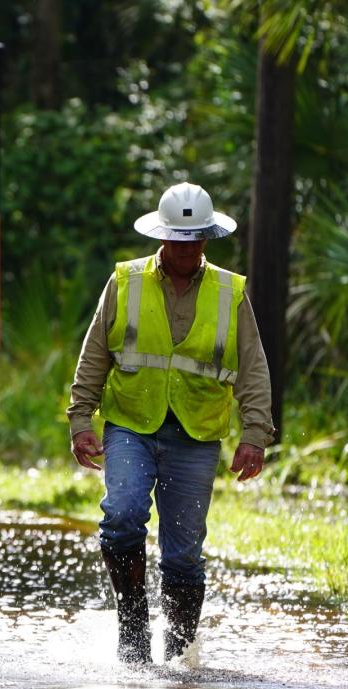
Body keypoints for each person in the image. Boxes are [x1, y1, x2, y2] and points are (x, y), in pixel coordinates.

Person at [66, 182, 275, 664]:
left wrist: (255, 435)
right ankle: (133, 628)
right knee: (120, 516)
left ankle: (179, 657)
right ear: (163, 237)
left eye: (197, 239)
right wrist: (81, 418)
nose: (188, 249)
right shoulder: (125, 282)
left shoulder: (230, 293)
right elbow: (95, 352)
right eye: (179, 240)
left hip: (197, 434)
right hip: (131, 423)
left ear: (207, 239)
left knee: (182, 552)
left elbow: (253, 366)